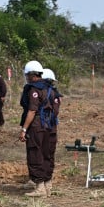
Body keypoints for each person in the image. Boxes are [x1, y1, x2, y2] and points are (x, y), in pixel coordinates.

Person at [19, 60, 57, 197]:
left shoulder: (34, 89)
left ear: (31, 74)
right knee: (46, 153)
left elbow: (31, 111)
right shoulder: (50, 88)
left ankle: (40, 187)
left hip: (36, 126)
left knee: (35, 153)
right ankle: (47, 185)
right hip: (49, 125)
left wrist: (24, 129)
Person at [41, 68, 61, 196]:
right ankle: (46, 181)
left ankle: (45, 182)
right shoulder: (55, 94)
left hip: (45, 127)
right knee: (48, 154)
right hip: (51, 127)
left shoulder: (48, 94)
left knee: (43, 154)